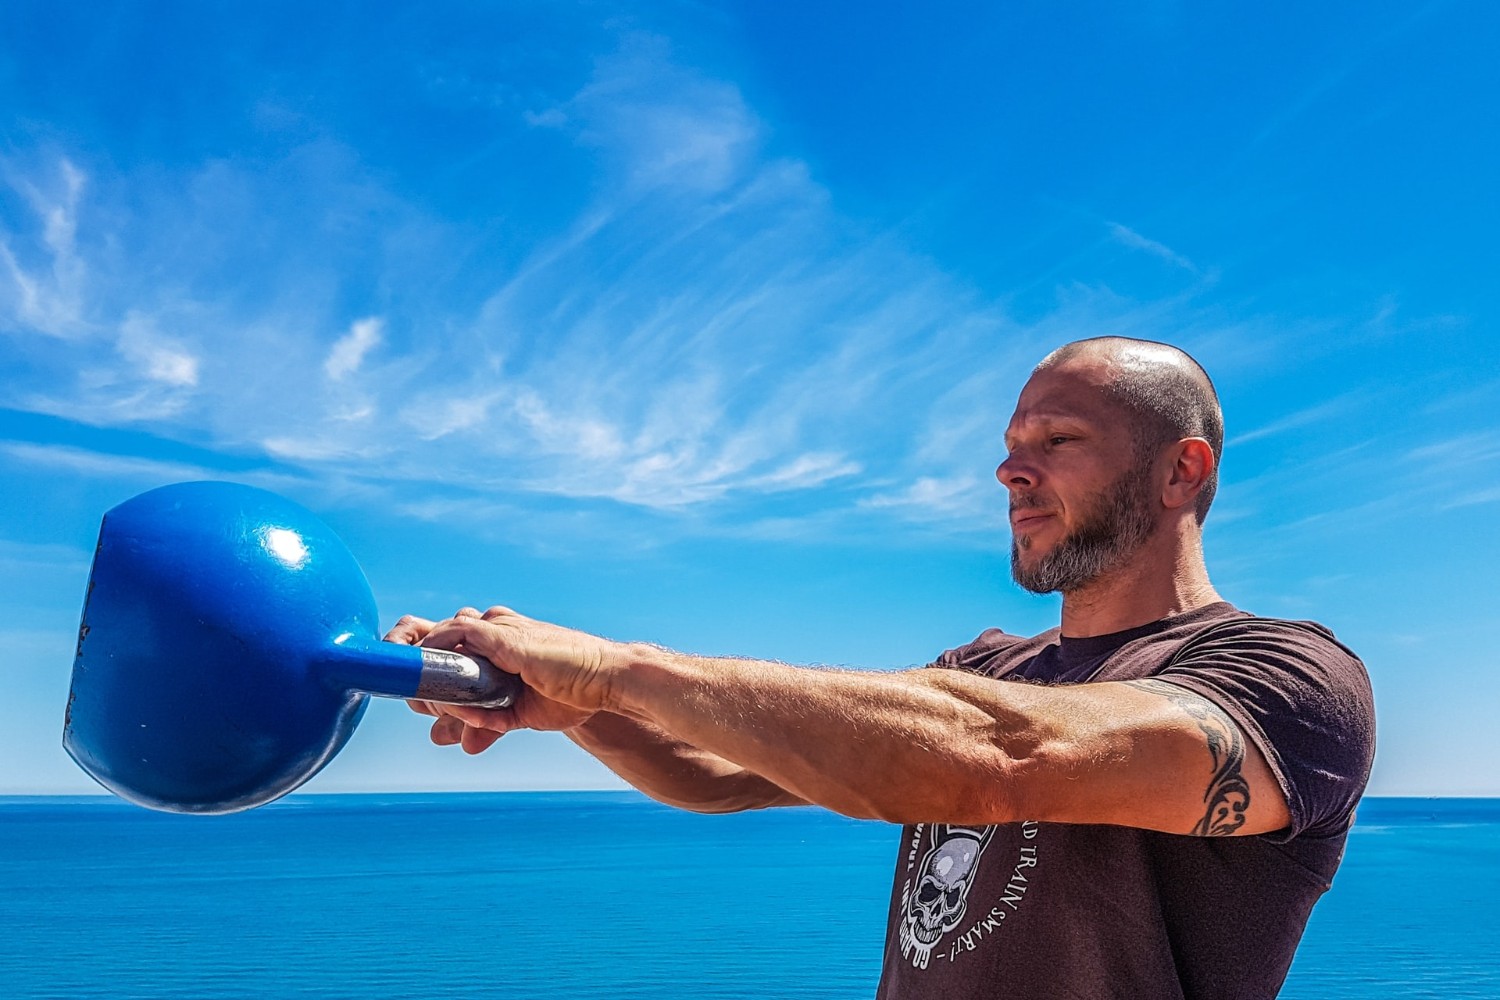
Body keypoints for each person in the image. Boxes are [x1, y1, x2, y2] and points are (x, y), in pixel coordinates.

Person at [387, 336, 1375, 999]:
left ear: (1181, 470)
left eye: (1058, 441)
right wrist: (571, 706)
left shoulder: (1286, 682)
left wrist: (611, 668)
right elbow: (726, 771)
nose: (1010, 472)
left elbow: (993, 760)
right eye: (1009, 446)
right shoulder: (989, 666)